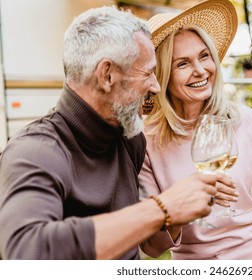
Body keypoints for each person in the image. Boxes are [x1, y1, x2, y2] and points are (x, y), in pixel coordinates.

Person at [0, 6, 236, 260]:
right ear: (107, 75)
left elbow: (149, 244)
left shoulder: (131, 141)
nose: (157, 87)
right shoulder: (35, 151)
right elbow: (25, 250)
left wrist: (175, 210)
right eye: (147, 73)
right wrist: (162, 208)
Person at [139, 0, 252, 260]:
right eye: (183, 64)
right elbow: (154, 247)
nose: (200, 70)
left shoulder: (243, 120)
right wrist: (185, 202)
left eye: (204, 56)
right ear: (162, 75)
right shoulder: (146, 141)